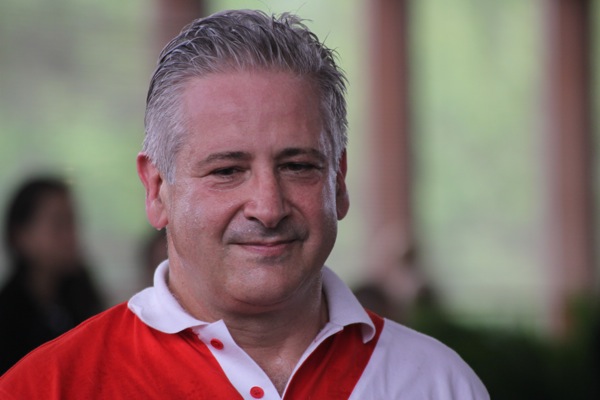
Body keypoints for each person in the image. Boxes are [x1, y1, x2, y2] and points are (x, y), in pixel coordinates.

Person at [0, 10, 489, 399]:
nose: (268, 208)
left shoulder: (438, 384)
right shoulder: (48, 388)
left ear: (338, 182)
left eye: (297, 165)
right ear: (156, 189)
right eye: (227, 171)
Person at [0, 176, 104, 374]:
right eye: (58, 224)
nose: (71, 236)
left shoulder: (83, 297)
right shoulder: (7, 317)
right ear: (21, 236)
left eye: (72, 222)